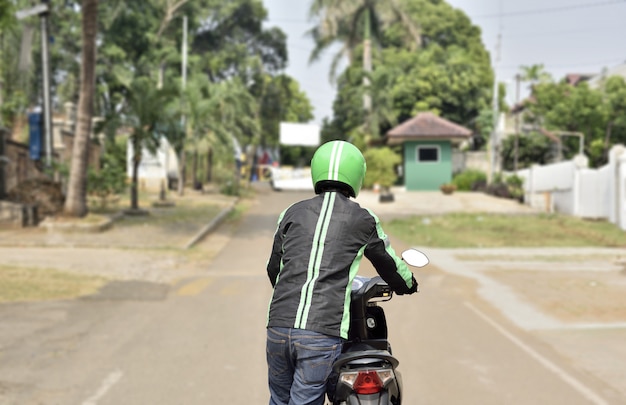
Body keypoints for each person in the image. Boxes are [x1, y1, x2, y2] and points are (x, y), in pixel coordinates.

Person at [265, 140, 418, 405]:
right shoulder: (363, 218)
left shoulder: (291, 213)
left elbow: (274, 269)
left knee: (279, 400)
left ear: (317, 170)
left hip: (278, 327)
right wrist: (408, 284)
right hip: (321, 334)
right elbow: (388, 263)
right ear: (357, 173)